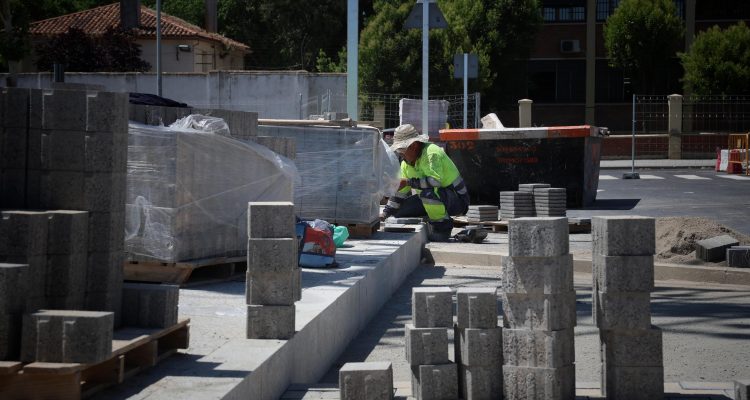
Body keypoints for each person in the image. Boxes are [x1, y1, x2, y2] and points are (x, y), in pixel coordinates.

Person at [380, 124, 470, 241]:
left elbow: (435, 181)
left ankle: (443, 227)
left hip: (457, 199)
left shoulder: (431, 153)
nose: (400, 154)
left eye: (402, 150)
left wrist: (407, 182)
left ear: (414, 146)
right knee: (398, 212)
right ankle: (433, 216)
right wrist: (385, 213)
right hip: (438, 196)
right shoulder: (405, 164)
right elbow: (400, 193)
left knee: (427, 194)